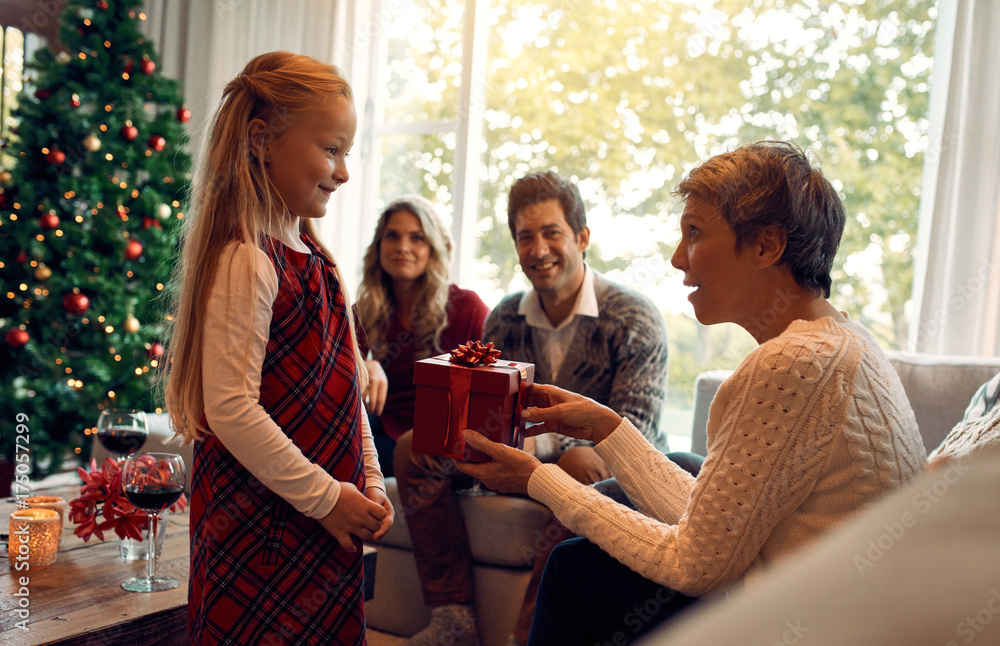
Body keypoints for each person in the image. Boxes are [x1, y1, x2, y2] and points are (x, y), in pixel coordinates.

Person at [458, 141, 928, 645]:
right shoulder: (845, 339)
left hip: (808, 625)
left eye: (695, 233)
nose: (679, 257)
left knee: (573, 570)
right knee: (679, 465)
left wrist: (537, 479)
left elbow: (695, 566)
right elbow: (717, 528)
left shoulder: (792, 363)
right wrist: (607, 428)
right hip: (834, 609)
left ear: (767, 246)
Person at [162, 52, 393, 645]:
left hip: (322, 520)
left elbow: (346, 393)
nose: (343, 172)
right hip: (257, 525)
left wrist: (369, 481)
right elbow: (232, 410)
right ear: (262, 140)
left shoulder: (321, 262)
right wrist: (327, 498)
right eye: (331, 150)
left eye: (347, 154)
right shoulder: (247, 259)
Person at [393, 170, 675, 646]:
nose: (538, 249)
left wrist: (540, 440)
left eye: (551, 234)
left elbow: (633, 433)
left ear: (582, 237)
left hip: (599, 470)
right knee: (410, 448)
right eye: (526, 237)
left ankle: (528, 637)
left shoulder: (632, 316)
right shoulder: (504, 315)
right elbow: (479, 406)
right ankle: (453, 617)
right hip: (513, 458)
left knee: (579, 462)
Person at [355, 195, 491, 476]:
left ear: (434, 248)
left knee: (349, 455)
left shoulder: (467, 307)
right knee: (337, 435)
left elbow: (491, 392)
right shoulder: (365, 311)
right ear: (379, 246)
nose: (403, 248)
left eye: (417, 238)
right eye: (392, 236)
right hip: (382, 428)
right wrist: (364, 364)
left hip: (439, 439)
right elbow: (333, 373)